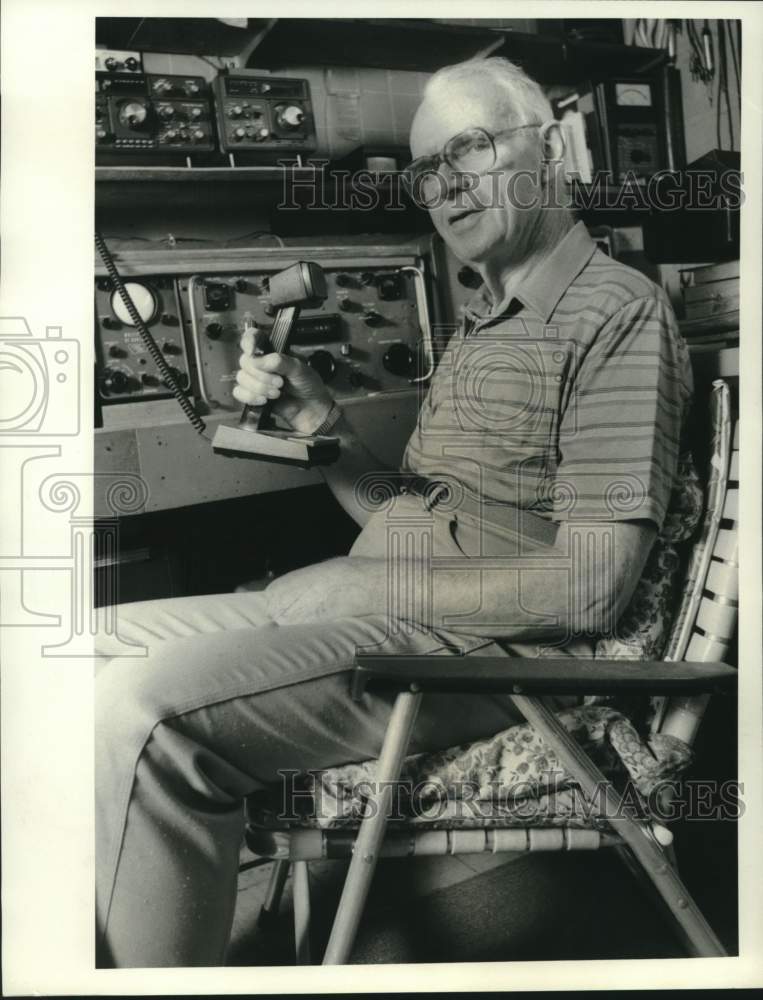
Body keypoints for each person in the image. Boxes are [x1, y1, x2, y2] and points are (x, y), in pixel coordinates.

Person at [95, 56, 692, 966]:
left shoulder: (615, 314)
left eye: (470, 148)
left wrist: (377, 592)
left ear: (552, 149)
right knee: (60, 651)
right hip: (358, 603)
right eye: (424, 169)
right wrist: (324, 427)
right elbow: (405, 510)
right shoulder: (482, 323)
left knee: (142, 715)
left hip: (471, 655)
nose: (443, 185)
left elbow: (593, 588)